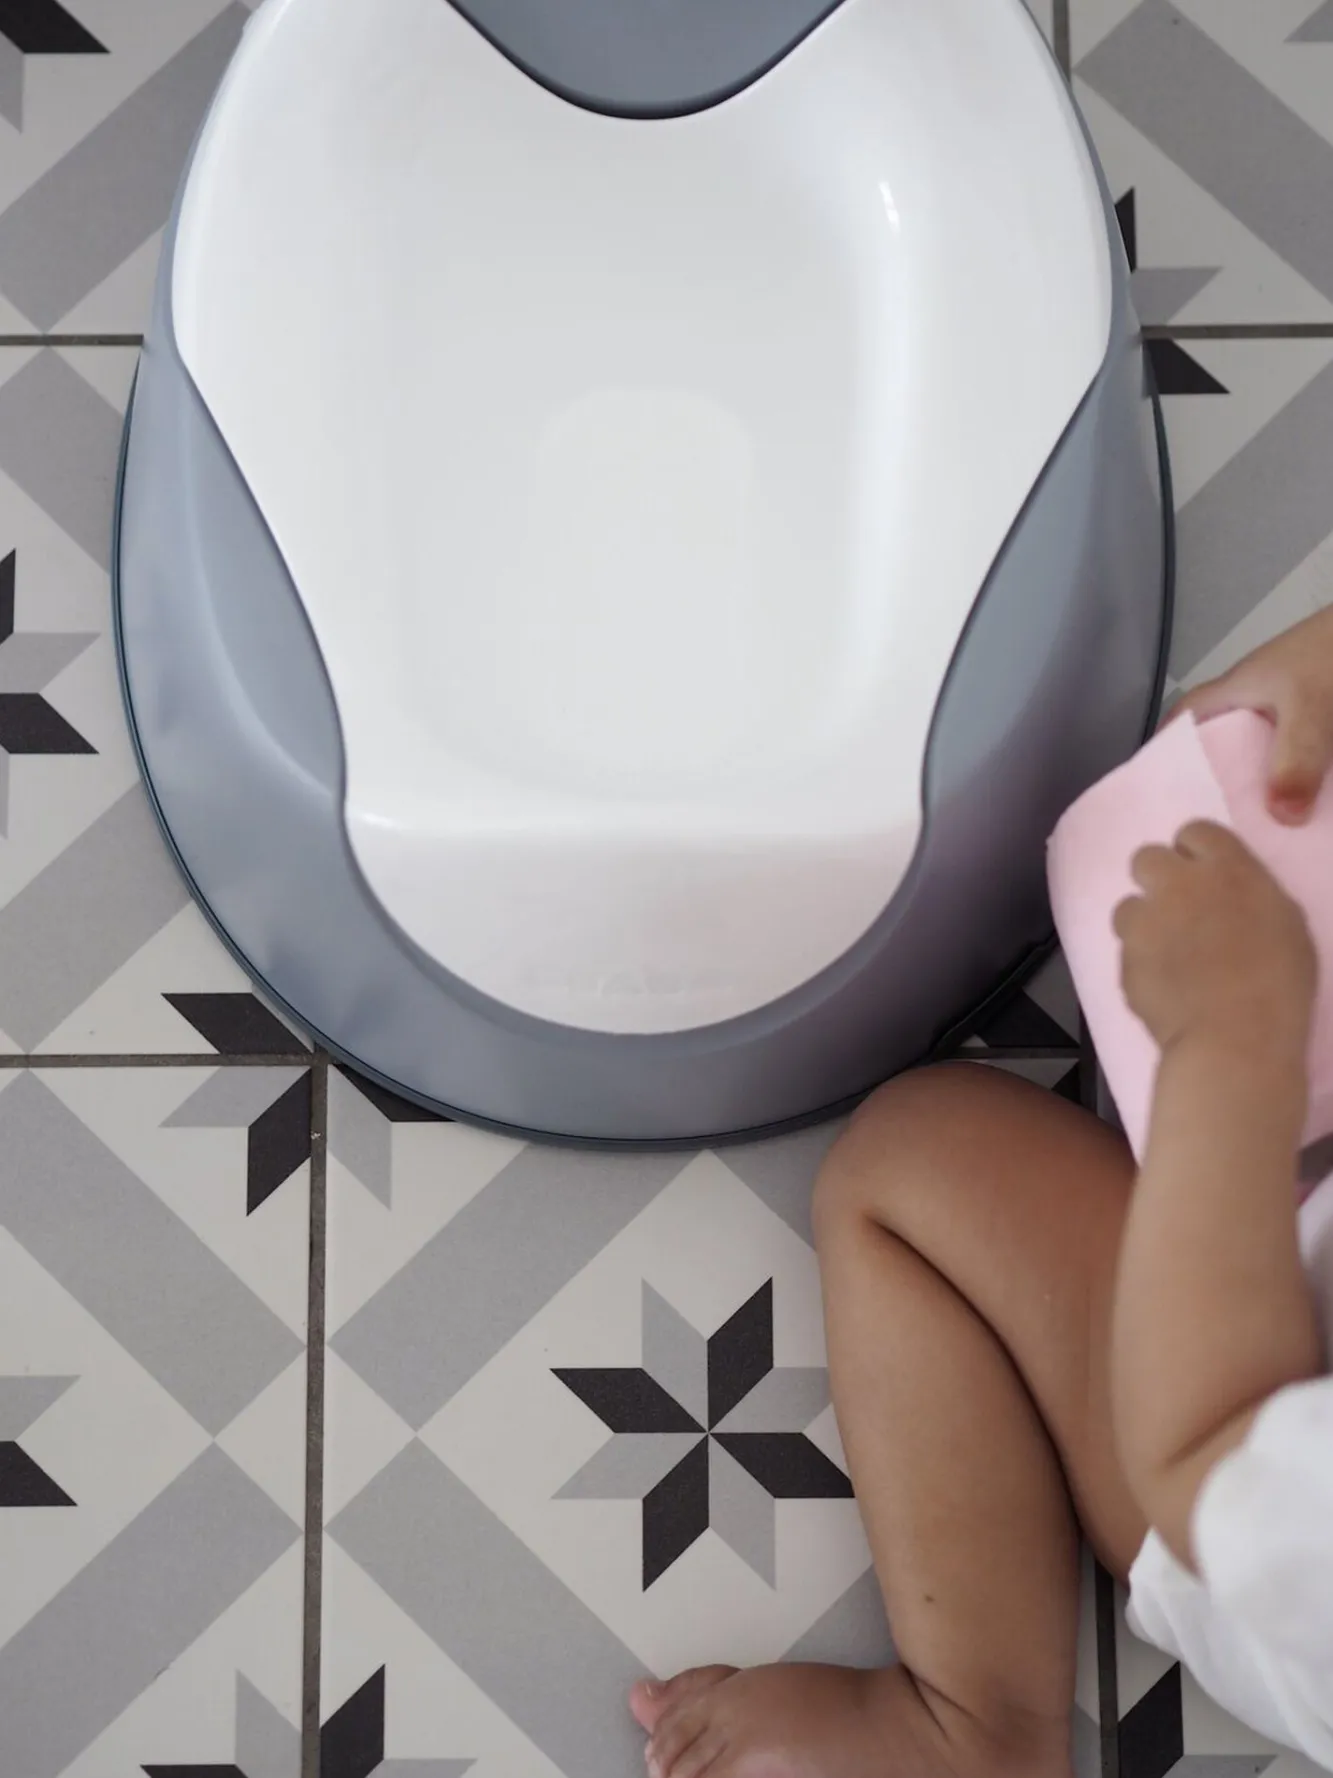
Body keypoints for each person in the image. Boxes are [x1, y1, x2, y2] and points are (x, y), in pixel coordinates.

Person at [629, 607, 1333, 1778]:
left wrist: (1230, 1048)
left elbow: (1205, 1441)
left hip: (1232, 1439)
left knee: (914, 1166)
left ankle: (974, 1721)